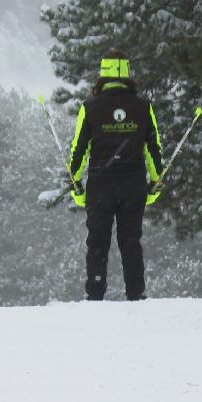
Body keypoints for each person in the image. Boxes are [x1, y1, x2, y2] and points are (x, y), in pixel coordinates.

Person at [68, 50, 164, 301]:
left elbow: (79, 150)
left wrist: (75, 183)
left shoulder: (89, 107)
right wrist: (156, 182)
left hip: (101, 181)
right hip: (133, 181)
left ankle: (96, 291)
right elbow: (154, 149)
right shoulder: (143, 107)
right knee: (131, 240)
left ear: (103, 74)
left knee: (98, 240)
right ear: (128, 74)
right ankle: (136, 291)